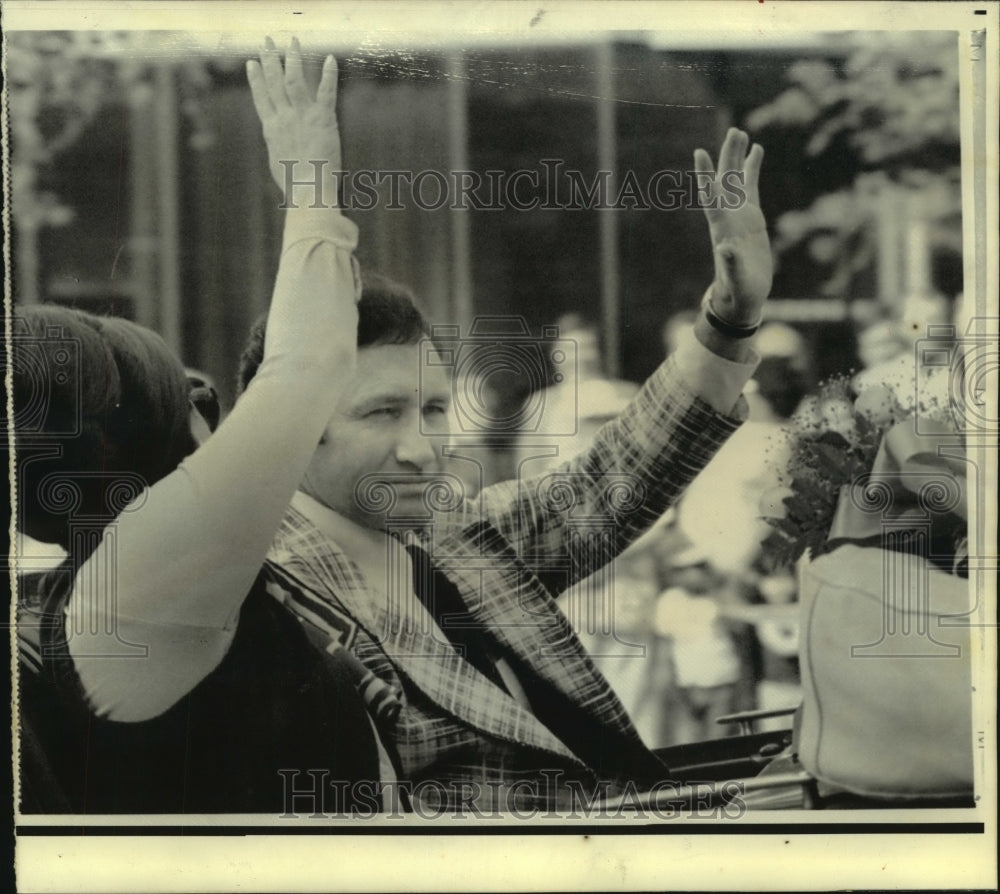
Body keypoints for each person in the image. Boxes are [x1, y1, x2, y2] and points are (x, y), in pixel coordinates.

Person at [236, 114, 775, 812]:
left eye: (432, 410)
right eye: (381, 412)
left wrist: (731, 318)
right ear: (290, 421)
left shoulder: (445, 533)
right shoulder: (260, 601)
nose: (421, 448)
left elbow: (605, 486)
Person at [14, 40, 388, 815]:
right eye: (191, 397)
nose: (210, 400)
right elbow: (304, 368)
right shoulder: (140, 578)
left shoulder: (85, 592)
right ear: (148, 440)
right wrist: (311, 183)